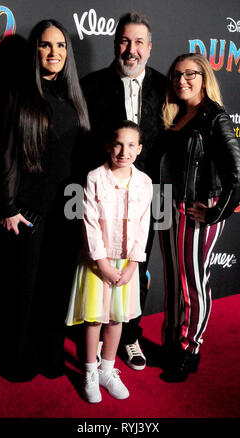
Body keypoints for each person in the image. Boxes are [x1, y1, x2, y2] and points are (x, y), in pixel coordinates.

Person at [0, 19, 90, 382]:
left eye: (60, 46)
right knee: (22, 291)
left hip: (68, 212)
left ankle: (50, 353)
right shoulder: (17, 93)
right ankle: (16, 357)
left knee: (55, 290)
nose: (53, 53)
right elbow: (3, 154)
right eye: (45, 45)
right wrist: (8, 207)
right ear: (35, 51)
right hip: (29, 211)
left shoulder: (74, 96)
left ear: (67, 54)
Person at [81, 10, 166, 370]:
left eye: (138, 42)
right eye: (124, 41)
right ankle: (93, 340)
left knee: (136, 263)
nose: (131, 49)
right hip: (102, 192)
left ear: (149, 47)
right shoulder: (92, 84)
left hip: (147, 193)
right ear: (116, 44)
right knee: (96, 261)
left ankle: (129, 336)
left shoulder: (167, 86)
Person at [159, 53, 240, 382]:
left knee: (193, 285)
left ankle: (190, 349)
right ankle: (171, 343)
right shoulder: (177, 114)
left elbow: (238, 174)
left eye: (190, 74)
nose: (181, 80)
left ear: (204, 76)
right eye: (176, 75)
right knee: (172, 282)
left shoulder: (214, 117)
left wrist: (215, 212)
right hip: (167, 206)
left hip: (196, 208)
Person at [65, 120, 153, 403]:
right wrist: (102, 263)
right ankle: (90, 370)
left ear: (139, 150)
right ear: (108, 146)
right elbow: (89, 222)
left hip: (127, 262)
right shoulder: (95, 178)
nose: (123, 151)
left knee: (116, 317)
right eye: (117, 144)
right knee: (94, 317)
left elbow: (143, 226)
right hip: (97, 260)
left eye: (130, 145)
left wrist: (132, 265)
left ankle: (107, 369)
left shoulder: (144, 182)